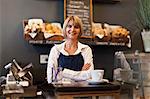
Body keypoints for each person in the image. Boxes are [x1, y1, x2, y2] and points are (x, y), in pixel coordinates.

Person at [47, 16, 94, 83]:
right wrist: (81, 73)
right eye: (69, 26)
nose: (72, 29)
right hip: (60, 91)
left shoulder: (86, 49)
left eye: (76, 27)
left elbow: (89, 75)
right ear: (65, 29)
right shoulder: (56, 50)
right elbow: (52, 77)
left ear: (80, 30)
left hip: (81, 91)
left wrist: (63, 72)